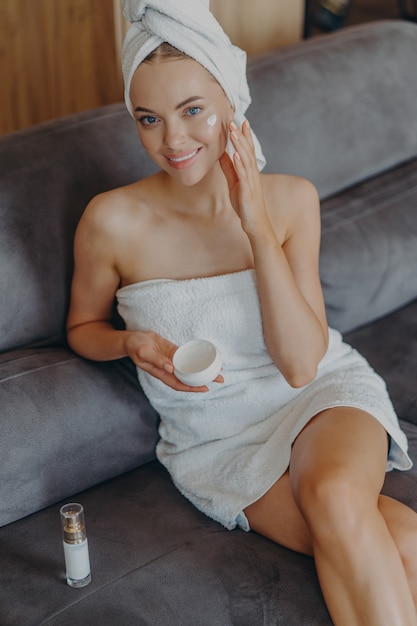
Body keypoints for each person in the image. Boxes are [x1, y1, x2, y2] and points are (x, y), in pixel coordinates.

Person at [67, 1, 417, 624]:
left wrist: (255, 227)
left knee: (336, 496)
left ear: (231, 101)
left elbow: (301, 365)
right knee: (402, 541)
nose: (172, 140)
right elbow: (82, 329)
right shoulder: (110, 221)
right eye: (149, 119)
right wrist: (131, 345)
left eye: (193, 110)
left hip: (318, 397)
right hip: (215, 441)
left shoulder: (290, 202)